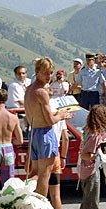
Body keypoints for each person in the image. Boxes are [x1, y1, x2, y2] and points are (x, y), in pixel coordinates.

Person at [24, 57, 72, 198]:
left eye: (50, 73)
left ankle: (28, 198)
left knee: (35, 172)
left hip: (34, 132)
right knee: (45, 174)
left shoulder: (29, 89)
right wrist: (62, 115)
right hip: (45, 133)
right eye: (46, 73)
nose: (49, 76)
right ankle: (40, 203)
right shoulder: (41, 92)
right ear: (38, 72)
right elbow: (50, 120)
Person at [76, 104, 106, 209]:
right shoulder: (95, 135)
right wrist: (98, 156)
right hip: (91, 170)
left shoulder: (87, 131)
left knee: (86, 200)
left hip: (84, 169)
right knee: (92, 202)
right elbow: (85, 154)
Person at [49, 116, 69, 209]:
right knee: (56, 194)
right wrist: (63, 157)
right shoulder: (61, 116)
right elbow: (65, 138)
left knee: (38, 191)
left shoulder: (43, 112)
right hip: (56, 153)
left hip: (43, 153)